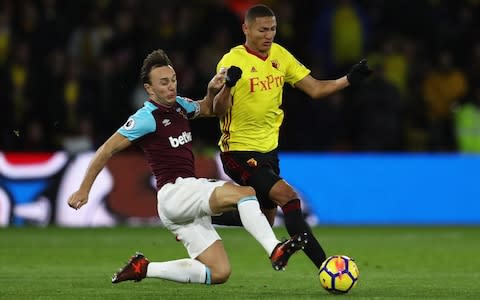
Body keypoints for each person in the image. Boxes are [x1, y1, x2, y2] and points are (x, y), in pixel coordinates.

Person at [67, 49, 307, 285]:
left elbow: (210, 108)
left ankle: (145, 268)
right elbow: (106, 150)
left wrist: (214, 89)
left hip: (180, 206)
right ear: (149, 89)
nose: (171, 86)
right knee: (246, 194)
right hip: (175, 192)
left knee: (219, 272)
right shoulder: (146, 117)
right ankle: (275, 249)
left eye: (173, 80)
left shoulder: (180, 106)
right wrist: (84, 190)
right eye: (163, 83)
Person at [211, 4, 372, 270]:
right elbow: (217, 110)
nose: (269, 35)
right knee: (289, 197)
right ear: (246, 29)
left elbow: (316, 89)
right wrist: (228, 85)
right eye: (263, 30)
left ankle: (203, 215)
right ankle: (326, 266)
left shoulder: (280, 56)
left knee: (265, 216)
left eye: (272, 29)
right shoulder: (231, 61)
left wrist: (349, 79)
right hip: (238, 151)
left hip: (268, 152)